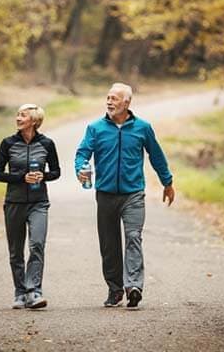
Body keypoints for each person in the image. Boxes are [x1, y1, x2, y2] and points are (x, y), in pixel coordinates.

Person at [75, 82, 175, 309]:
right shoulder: (95, 128)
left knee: (133, 237)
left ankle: (134, 287)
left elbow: (156, 155)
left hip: (133, 194)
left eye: (114, 98)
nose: (109, 101)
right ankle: (115, 289)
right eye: (108, 97)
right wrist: (81, 168)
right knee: (109, 245)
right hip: (105, 194)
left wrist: (167, 182)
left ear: (127, 103)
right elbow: (82, 153)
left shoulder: (142, 128)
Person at [0, 104, 60, 309]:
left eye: (23, 115)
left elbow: (56, 172)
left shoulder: (47, 144)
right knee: (15, 251)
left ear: (34, 120)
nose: (18, 118)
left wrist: (44, 175)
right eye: (18, 115)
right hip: (14, 203)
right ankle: (20, 292)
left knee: (37, 244)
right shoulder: (8, 143)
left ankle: (34, 291)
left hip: (39, 203)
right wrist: (21, 178)